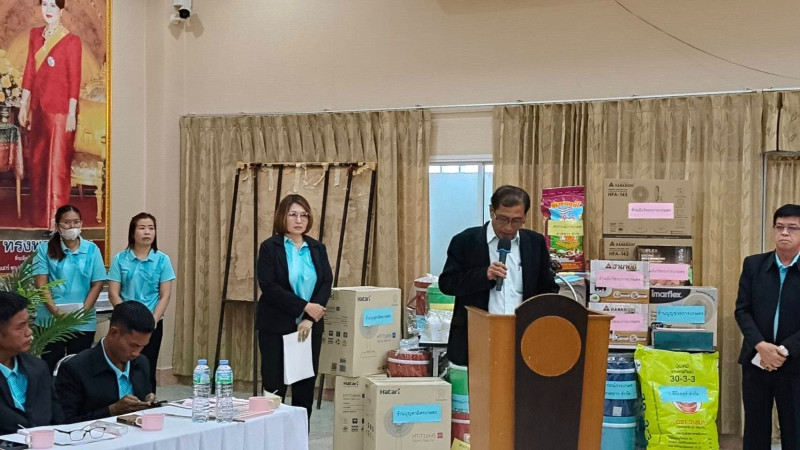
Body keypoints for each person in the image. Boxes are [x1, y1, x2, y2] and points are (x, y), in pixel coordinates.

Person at [439, 185, 559, 366]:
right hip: (477, 337)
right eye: (503, 219)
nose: (509, 227)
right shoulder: (465, 241)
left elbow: (548, 288)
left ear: (525, 217)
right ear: (491, 211)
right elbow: (447, 283)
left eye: (516, 220)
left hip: (523, 336)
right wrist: (483, 275)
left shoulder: (535, 243)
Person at [255, 194, 332, 423]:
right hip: (275, 326)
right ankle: (271, 437)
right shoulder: (270, 247)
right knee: (274, 387)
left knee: (304, 389)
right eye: (293, 215)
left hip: (308, 329)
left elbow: (325, 283)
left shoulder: (317, 248)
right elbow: (269, 286)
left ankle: (300, 438)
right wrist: (305, 306)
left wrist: (310, 318)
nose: (299, 220)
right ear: (282, 217)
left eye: (304, 215)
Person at [735, 204, 800, 450]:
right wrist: (761, 346)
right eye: (779, 227)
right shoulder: (754, 265)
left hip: (795, 364)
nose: (784, 232)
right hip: (757, 361)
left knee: (795, 429)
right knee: (755, 429)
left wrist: (783, 351)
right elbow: (742, 310)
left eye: (792, 228)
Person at [18, 0, 83, 229]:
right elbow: (29, 70)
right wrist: (24, 104)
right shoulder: (35, 35)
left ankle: (57, 222)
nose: (48, 10)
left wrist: (72, 113)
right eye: (44, 4)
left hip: (61, 113)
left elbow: (75, 79)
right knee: (38, 164)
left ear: (61, 10)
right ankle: (39, 218)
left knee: (57, 167)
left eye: (53, 6)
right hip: (38, 109)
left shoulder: (72, 41)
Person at [55, 301, 156, 424]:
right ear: (113, 333)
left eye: (143, 346)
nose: (136, 353)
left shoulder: (141, 363)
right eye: (133, 345)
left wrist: (148, 402)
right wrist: (110, 411)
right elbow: (63, 423)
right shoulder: (75, 368)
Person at [108, 213, 176, 394]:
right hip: (125, 323)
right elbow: (113, 293)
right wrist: (127, 318)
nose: (147, 232)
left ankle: (148, 401)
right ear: (133, 232)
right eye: (142, 228)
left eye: (151, 228)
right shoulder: (120, 259)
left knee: (147, 365)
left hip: (152, 323)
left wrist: (152, 321)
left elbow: (165, 295)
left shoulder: (162, 259)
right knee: (122, 364)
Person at [33, 204, 106, 372]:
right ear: (58, 226)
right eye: (67, 222)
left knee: (80, 369)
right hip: (51, 320)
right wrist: (55, 311)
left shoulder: (92, 249)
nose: (72, 226)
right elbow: (41, 284)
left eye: (76, 222)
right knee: (50, 367)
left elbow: (97, 284)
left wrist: (82, 312)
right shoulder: (44, 249)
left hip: (82, 321)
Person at [0, 292, 62, 434]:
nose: (29, 332)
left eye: (28, 323)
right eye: (20, 327)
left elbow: (58, 420)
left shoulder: (38, 368)